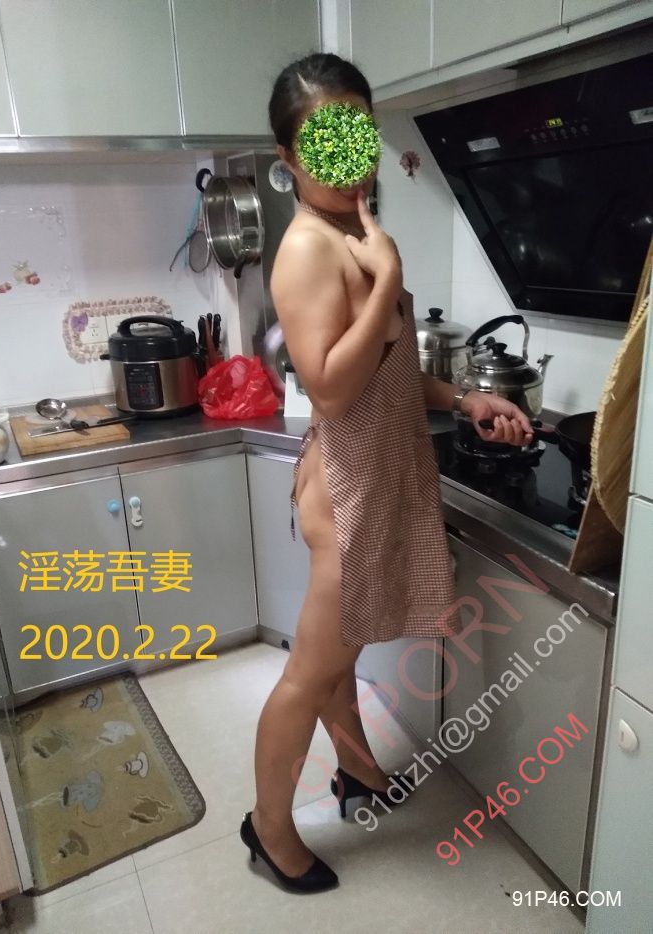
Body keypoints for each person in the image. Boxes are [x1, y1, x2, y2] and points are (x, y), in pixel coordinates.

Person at [239, 53, 534, 894]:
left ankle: (358, 769)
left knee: (341, 654)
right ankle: (268, 829)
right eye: (324, 144)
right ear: (289, 159)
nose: (348, 161)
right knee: (310, 674)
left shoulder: (351, 235)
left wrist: (464, 397)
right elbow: (331, 388)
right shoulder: (308, 250)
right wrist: (388, 282)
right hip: (348, 494)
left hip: (372, 482)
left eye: (357, 137)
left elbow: (387, 371)